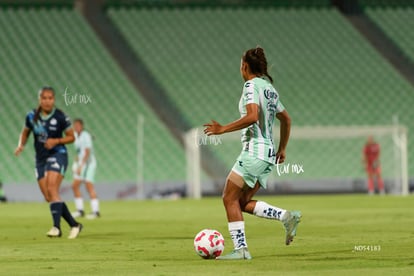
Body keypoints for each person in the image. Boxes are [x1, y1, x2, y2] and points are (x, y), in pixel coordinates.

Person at [204, 47, 301, 260]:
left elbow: (252, 116)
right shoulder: (269, 89)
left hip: (254, 152)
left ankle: (241, 250)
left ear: (244, 66)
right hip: (267, 155)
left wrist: (222, 129)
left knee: (228, 198)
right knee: (240, 202)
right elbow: (286, 119)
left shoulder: (250, 86)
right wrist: (282, 148)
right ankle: (287, 217)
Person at [15, 86, 83, 239]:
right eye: (44, 98)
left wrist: (56, 141)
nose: (47, 101)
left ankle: (56, 228)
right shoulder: (32, 116)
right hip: (40, 159)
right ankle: (74, 225)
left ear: (54, 100)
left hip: (58, 154)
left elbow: (72, 137)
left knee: (52, 188)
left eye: (50, 98)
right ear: (40, 99)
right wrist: (21, 145)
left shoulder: (60, 117)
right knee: (49, 195)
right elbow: (25, 132)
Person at [71, 118, 100, 219]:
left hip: (89, 163)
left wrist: (81, 166)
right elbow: (79, 152)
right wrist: (75, 163)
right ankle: (80, 210)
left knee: (89, 186)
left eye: (78, 125)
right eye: (75, 126)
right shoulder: (75, 136)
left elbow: (87, 152)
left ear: (82, 126)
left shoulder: (86, 136)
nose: (76, 127)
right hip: (80, 163)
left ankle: (96, 211)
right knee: (74, 186)